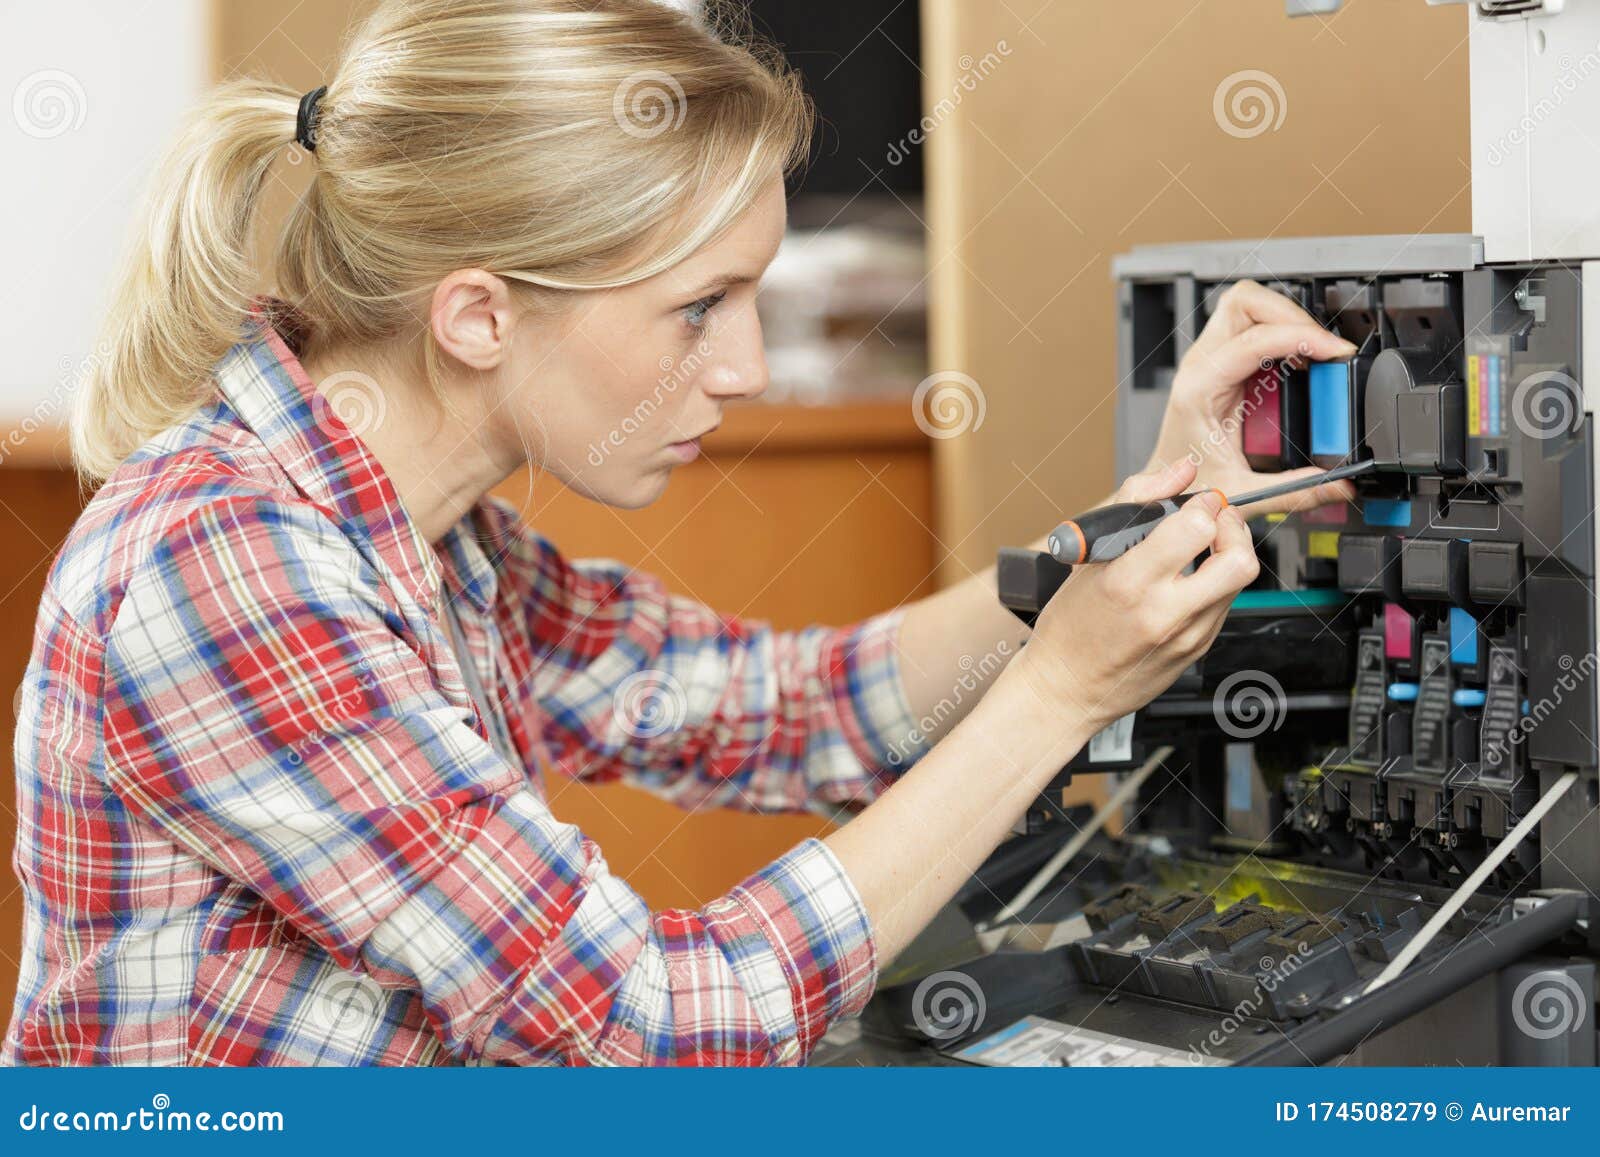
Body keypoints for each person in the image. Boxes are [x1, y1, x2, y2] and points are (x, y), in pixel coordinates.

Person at [4, 0, 1355, 1066]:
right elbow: (655, 1030)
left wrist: (1150, 507)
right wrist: (1062, 688)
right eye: (701, 306)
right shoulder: (230, 571)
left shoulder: (436, 543)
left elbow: (792, 706)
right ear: (479, 316)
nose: (750, 368)